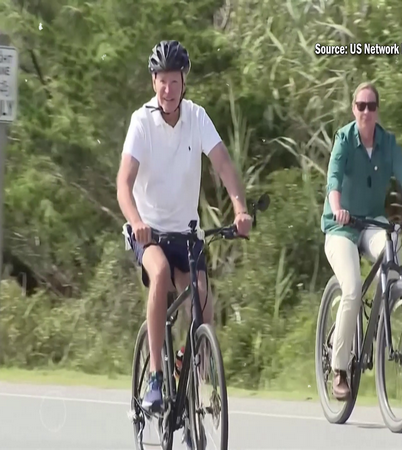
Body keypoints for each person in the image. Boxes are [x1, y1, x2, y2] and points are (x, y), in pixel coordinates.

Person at [116, 40, 252, 411]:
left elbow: (223, 164)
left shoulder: (197, 117)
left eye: (174, 81)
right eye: (161, 80)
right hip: (150, 232)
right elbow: (123, 184)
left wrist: (240, 209)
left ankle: (190, 375)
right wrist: (137, 222)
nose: (167, 89)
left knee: (202, 300)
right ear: (153, 82)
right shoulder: (141, 121)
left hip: (186, 233)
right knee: (159, 275)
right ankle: (156, 379)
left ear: (183, 82)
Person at [321, 81, 402, 401]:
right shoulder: (345, 139)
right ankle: (339, 369)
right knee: (351, 287)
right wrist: (337, 210)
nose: (365, 111)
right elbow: (333, 179)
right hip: (341, 228)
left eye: (371, 106)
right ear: (353, 109)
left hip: (372, 223)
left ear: (378, 110)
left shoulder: (387, 143)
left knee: (394, 253)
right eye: (360, 106)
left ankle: (385, 316)